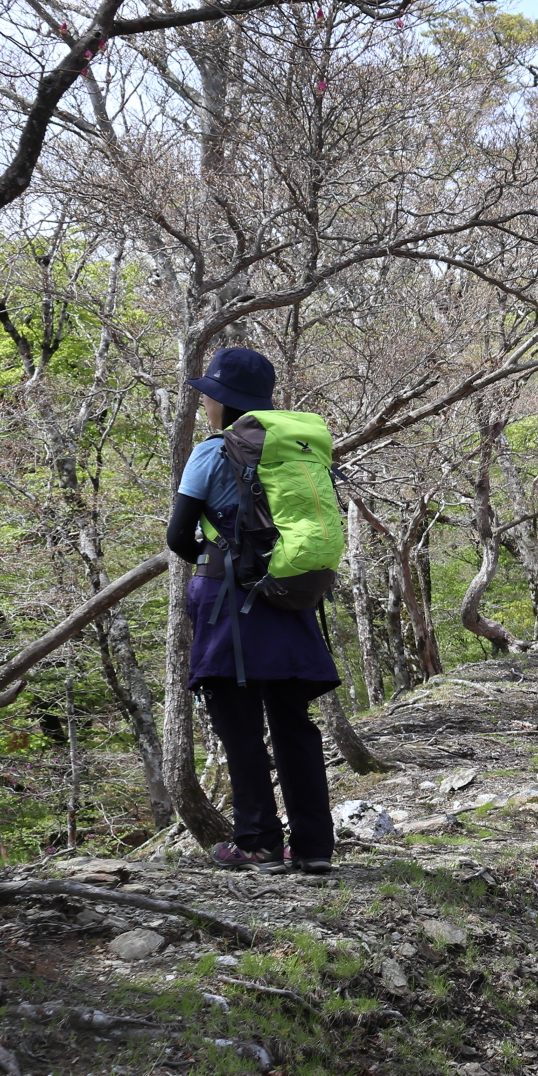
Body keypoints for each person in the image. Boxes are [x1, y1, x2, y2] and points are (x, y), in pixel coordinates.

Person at [164, 346, 341, 874]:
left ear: (223, 400)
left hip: (228, 604)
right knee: (294, 724)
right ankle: (314, 847)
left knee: (239, 726)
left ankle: (258, 842)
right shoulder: (297, 451)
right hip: (287, 595)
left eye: (209, 397)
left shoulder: (211, 453)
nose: (205, 405)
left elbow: (178, 536)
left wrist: (218, 557)